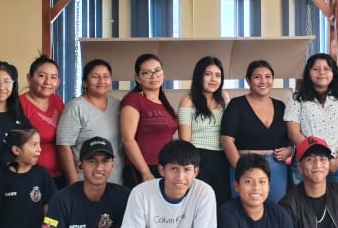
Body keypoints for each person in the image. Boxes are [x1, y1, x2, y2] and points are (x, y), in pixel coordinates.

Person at [220, 60, 290, 204]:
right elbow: (227, 140)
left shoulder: (281, 106)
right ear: (248, 80)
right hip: (244, 163)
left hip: (276, 166)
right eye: (257, 77)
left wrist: (290, 150)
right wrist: (241, 169)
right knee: (244, 209)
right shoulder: (236, 105)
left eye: (268, 76)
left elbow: (289, 138)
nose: (263, 81)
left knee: (277, 209)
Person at [284, 53, 338, 187]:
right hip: (306, 161)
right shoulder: (297, 99)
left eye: (326, 68)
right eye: (315, 69)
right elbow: (293, 133)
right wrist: (318, 158)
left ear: (333, 73)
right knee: (303, 200)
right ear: (308, 73)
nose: (321, 72)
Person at [56, 59, 123, 186]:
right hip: (85, 183)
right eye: (95, 77)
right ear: (85, 82)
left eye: (106, 76)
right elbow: (63, 145)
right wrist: (73, 181)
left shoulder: (118, 105)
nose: (102, 81)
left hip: (115, 181)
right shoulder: (76, 107)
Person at [120, 53, 179, 186]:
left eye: (157, 71)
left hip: (165, 168)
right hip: (143, 169)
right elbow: (127, 139)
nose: (154, 76)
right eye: (146, 73)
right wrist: (145, 172)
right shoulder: (134, 99)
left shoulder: (163, 103)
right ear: (137, 78)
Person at [177, 56, 229, 199]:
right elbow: (185, 140)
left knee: (222, 201)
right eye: (208, 74)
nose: (213, 79)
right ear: (199, 76)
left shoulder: (224, 98)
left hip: (223, 157)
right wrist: (190, 166)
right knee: (199, 201)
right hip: (198, 157)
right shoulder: (188, 101)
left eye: (218, 75)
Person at [20, 55, 66, 187]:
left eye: (53, 77)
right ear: (29, 78)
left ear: (58, 81)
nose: (47, 82)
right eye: (42, 76)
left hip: (60, 175)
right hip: (32, 176)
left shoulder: (57, 101)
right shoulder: (20, 104)